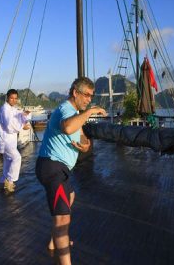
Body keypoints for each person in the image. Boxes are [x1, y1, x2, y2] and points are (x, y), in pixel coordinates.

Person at [35, 77, 106, 265]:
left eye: (92, 96)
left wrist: (85, 146)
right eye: (87, 95)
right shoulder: (65, 109)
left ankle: (54, 242)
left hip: (60, 169)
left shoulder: (75, 113)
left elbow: (82, 137)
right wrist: (90, 112)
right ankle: (61, 245)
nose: (89, 99)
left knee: (71, 196)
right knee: (63, 221)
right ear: (75, 92)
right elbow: (67, 127)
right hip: (53, 167)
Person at [0, 89, 31, 193]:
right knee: (17, 158)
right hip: (6, 140)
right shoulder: (5, 109)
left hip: (11, 141)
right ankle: (10, 181)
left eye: (15, 98)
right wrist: (22, 126)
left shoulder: (12, 109)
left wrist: (25, 114)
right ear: (7, 98)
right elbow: (9, 125)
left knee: (8, 161)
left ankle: (3, 181)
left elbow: (18, 114)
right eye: (11, 98)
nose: (13, 100)